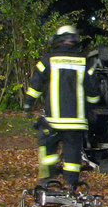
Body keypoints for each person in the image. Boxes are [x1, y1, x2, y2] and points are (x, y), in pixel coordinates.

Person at [23, 25, 101, 190]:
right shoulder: (85, 62)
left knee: (48, 150)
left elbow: (36, 85)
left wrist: (28, 103)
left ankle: (48, 179)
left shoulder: (48, 60)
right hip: (76, 121)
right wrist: (92, 107)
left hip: (53, 120)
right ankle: (71, 183)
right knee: (73, 153)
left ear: (57, 40)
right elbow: (94, 92)